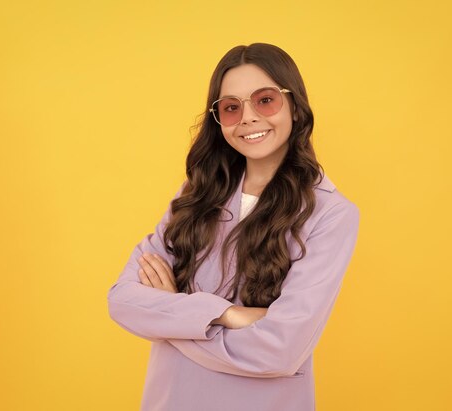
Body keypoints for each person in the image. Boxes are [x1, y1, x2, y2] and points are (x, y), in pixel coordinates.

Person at [107, 43, 360, 411]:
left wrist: (170, 314)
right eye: (231, 108)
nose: (248, 117)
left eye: (265, 100)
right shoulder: (197, 195)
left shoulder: (331, 214)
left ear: (294, 104)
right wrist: (228, 314)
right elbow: (122, 301)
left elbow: (280, 351)